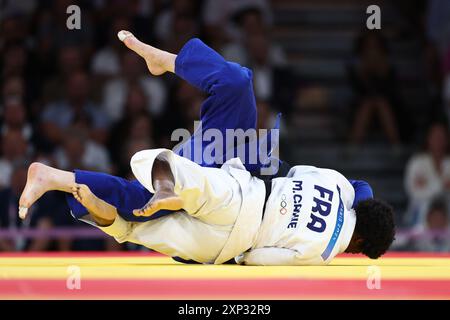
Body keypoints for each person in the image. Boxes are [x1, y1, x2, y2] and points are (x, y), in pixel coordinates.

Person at [18, 33, 395, 265]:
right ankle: (65, 181)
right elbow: (261, 260)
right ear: (359, 245)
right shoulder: (325, 252)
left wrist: (358, 199)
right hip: (235, 230)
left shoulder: (339, 188)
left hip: (242, 179)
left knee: (237, 82)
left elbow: (305, 175)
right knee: (142, 218)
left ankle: (170, 65)